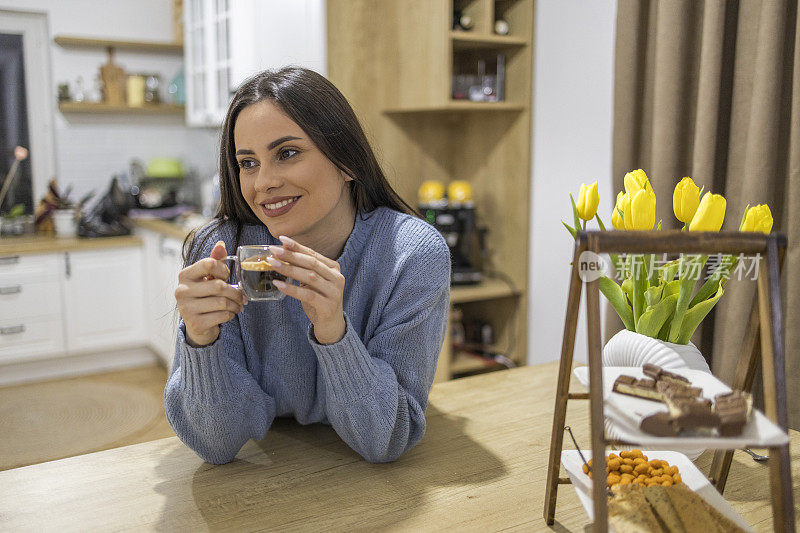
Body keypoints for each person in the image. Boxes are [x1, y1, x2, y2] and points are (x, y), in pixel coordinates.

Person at [164, 67, 451, 464]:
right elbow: (216, 444)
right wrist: (200, 340)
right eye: (247, 163)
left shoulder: (412, 255)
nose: (263, 182)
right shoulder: (220, 249)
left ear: (347, 162)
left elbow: (386, 438)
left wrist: (334, 331)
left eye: (287, 153)